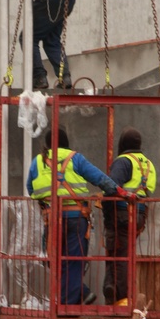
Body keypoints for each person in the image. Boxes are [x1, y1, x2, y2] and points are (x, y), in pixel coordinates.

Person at [27, 127, 119, 305]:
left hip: (52, 219)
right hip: (76, 218)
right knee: (74, 261)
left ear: (47, 144)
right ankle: (72, 301)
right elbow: (99, 178)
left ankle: (76, 297)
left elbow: (30, 188)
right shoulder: (75, 158)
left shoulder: (38, 161)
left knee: (53, 260)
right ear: (66, 143)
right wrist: (118, 191)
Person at [103, 127, 156, 305]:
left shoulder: (123, 161)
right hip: (139, 216)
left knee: (117, 251)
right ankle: (111, 287)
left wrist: (106, 210)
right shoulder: (149, 165)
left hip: (122, 213)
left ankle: (120, 296)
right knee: (122, 251)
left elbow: (112, 187)